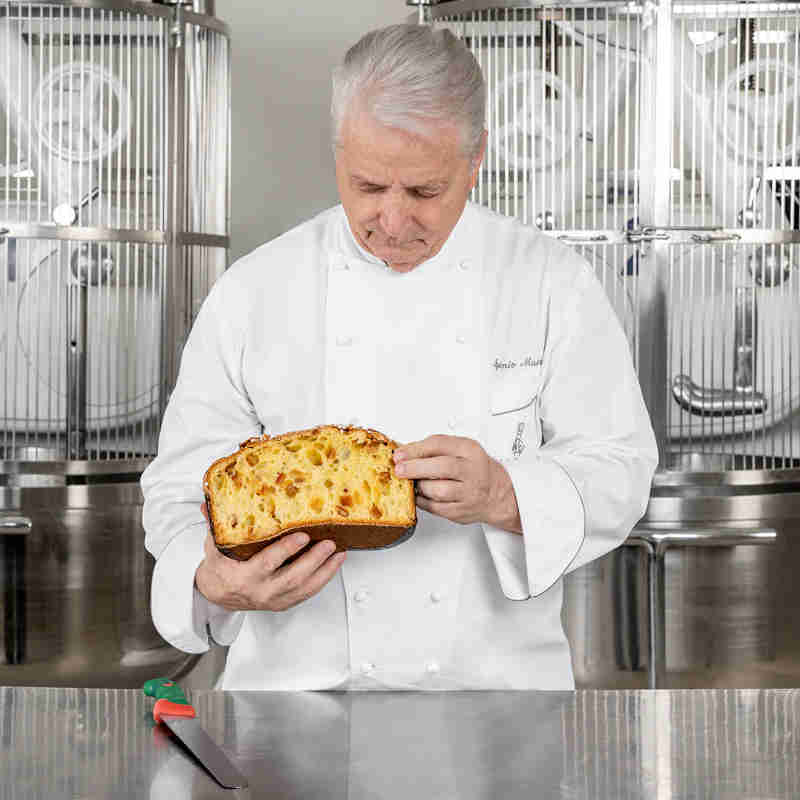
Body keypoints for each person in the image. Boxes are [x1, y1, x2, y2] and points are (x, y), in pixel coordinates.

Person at [141, 24, 657, 690]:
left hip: (493, 706)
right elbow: (183, 488)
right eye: (366, 185)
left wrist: (506, 493)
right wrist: (211, 579)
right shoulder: (254, 290)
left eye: (423, 192)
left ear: (476, 160)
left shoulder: (551, 282)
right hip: (294, 702)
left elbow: (621, 467)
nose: (391, 220)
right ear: (338, 153)